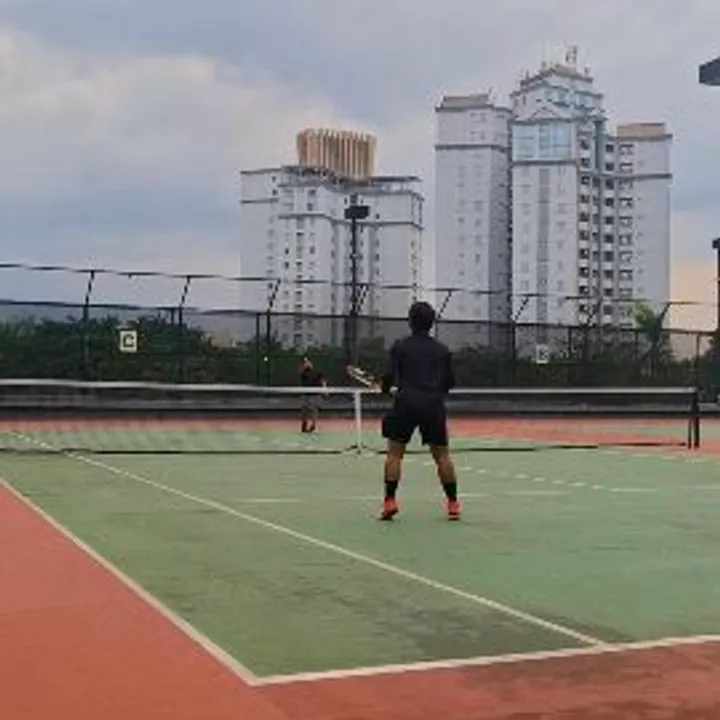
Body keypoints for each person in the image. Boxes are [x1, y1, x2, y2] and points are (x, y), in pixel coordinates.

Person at [378, 301, 460, 521]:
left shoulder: (400, 346)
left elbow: (388, 377)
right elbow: (449, 382)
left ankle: (390, 501)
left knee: (395, 454)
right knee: (442, 456)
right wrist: (433, 394)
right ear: (432, 323)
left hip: (405, 403)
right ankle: (453, 504)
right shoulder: (443, 350)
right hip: (433, 405)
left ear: (410, 321)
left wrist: (385, 389)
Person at [299, 357, 326, 433]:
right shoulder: (303, 373)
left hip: (315, 395)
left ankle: (313, 426)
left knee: (314, 410)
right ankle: (304, 426)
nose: (307, 364)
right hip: (305, 395)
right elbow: (301, 370)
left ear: (312, 365)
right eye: (306, 364)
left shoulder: (317, 373)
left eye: (309, 363)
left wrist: (324, 389)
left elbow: (323, 381)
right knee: (304, 411)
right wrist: (305, 363)